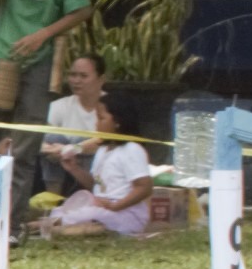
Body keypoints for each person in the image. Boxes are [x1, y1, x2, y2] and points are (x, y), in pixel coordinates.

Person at [38, 51, 167, 237]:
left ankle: (39, 227)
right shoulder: (104, 150)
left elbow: (144, 187)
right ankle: (56, 228)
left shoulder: (132, 149)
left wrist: (115, 206)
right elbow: (96, 185)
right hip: (103, 208)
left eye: (101, 118)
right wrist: (74, 169)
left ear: (117, 122)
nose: (97, 123)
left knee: (91, 213)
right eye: (73, 75)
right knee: (64, 210)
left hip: (126, 214)